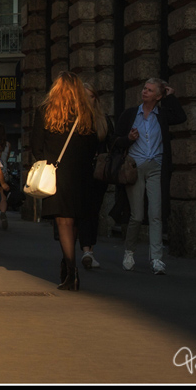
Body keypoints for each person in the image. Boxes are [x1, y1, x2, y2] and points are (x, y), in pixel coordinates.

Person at [30, 71, 99, 290]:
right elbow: (93, 146)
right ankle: (67, 262)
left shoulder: (44, 111)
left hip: (56, 174)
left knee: (62, 221)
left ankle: (71, 271)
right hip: (80, 175)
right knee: (74, 220)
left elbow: (36, 147)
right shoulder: (85, 112)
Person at [115, 77, 186, 275]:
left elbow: (181, 117)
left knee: (156, 215)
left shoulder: (162, 115)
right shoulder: (130, 114)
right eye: (144, 89)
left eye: (149, 90)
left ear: (158, 96)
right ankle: (129, 252)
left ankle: (156, 259)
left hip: (156, 167)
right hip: (134, 168)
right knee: (137, 216)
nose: (144, 92)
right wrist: (128, 139)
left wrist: (170, 97)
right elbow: (116, 141)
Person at [79, 84, 113, 269]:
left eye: (90, 96)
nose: (87, 100)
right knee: (84, 211)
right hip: (80, 172)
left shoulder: (104, 120)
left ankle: (89, 249)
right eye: (83, 97)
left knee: (94, 211)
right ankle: (86, 250)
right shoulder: (74, 120)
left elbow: (112, 144)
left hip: (99, 174)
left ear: (96, 99)